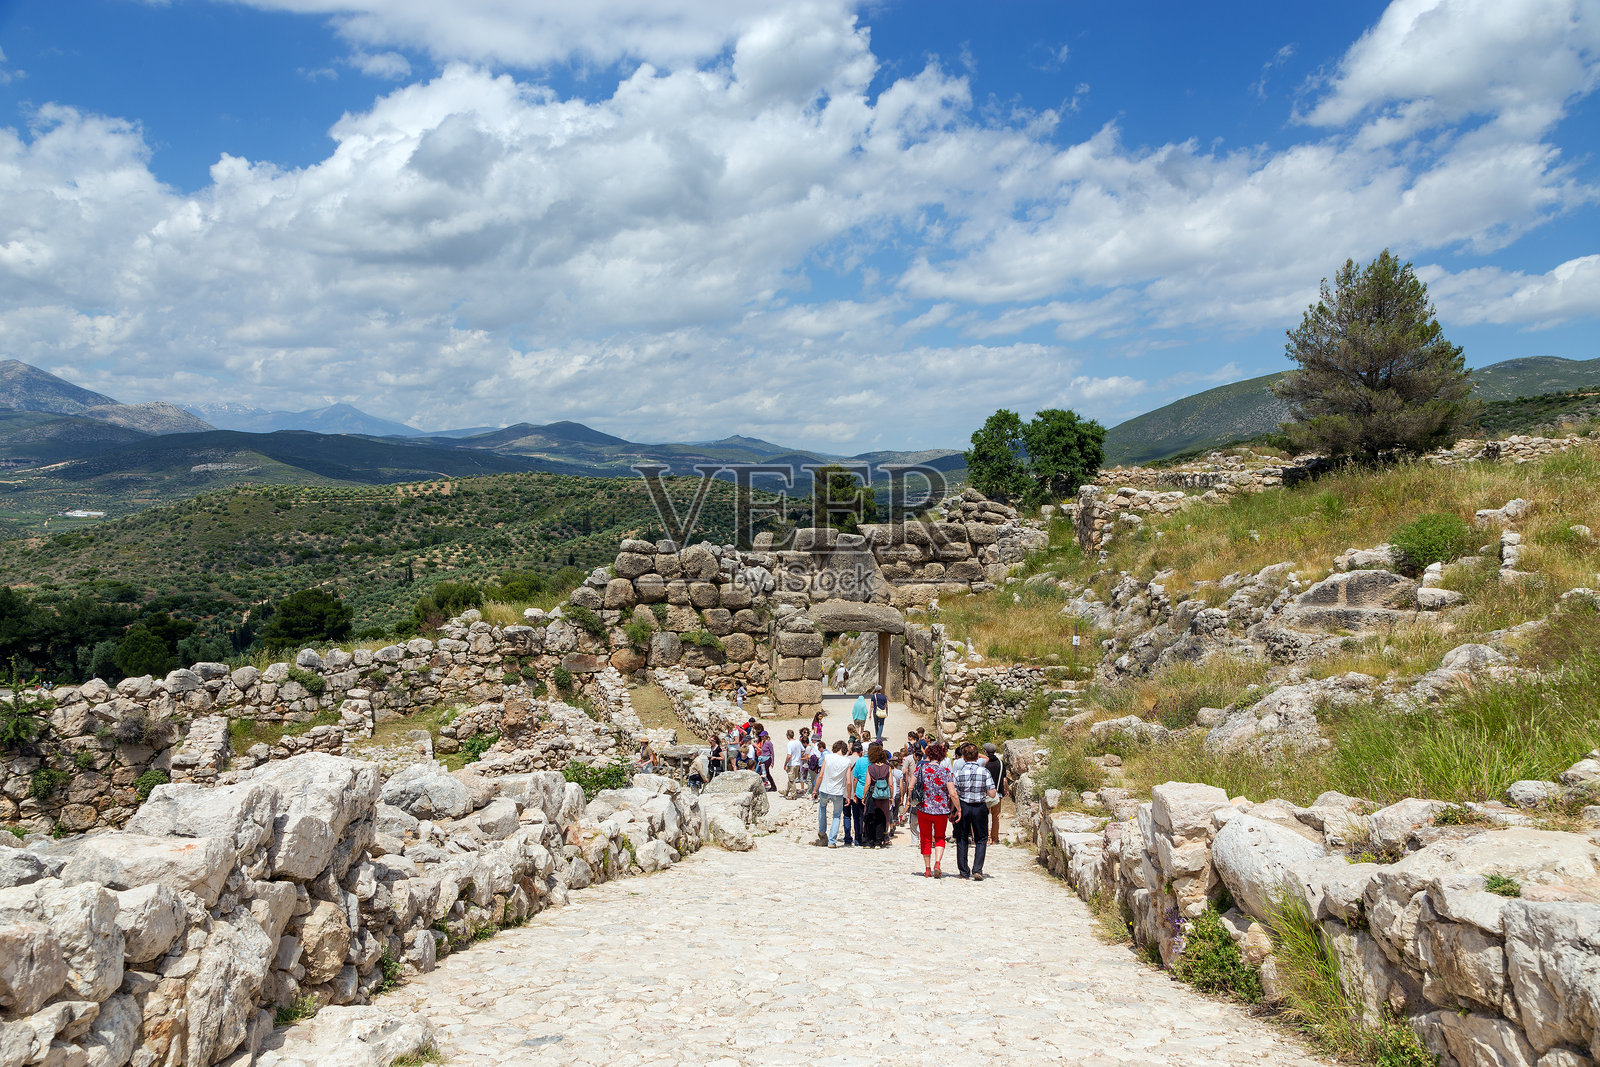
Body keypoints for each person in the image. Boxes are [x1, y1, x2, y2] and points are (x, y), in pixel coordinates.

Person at [952, 742, 997, 880]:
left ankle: (964, 871)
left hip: (963, 806)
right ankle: (977, 869)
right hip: (979, 807)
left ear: (963, 758)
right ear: (978, 756)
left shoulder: (958, 773)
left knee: (962, 838)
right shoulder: (985, 772)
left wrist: (953, 810)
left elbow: (953, 793)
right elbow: (992, 793)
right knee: (981, 838)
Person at [914, 742, 957, 877]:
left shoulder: (920, 769)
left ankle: (927, 869)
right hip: (941, 810)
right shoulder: (946, 772)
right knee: (939, 837)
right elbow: (952, 793)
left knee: (925, 837)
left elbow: (910, 786)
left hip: (924, 808)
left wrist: (911, 799)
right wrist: (958, 809)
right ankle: (937, 863)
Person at [814, 740, 853, 848]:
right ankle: (831, 841)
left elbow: (820, 775)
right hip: (838, 792)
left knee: (822, 808)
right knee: (836, 815)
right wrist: (848, 796)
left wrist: (815, 789)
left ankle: (822, 834)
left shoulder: (828, 757)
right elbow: (848, 781)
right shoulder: (847, 761)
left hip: (825, 789)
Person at [861, 744, 895, 847]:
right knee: (883, 818)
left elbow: (867, 784)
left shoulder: (870, 768)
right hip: (884, 796)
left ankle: (870, 839)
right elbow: (891, 784)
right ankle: (879, 840)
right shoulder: (887, 768)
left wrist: (863, 796)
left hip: (873, 796)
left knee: (871, 817)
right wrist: (891, 796)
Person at [984, 742, 1006, 844]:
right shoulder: (1001, 763)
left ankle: (987, 838)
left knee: (984, 817)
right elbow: (1004, 780)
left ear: (985, 752)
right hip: (998, 793)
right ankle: (995, 838)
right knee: (996, 817)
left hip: (985, 794)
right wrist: (1006, 790)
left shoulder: (984, 764)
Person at [783, 729, 804, 799]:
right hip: (798, 763)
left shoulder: (789, 743)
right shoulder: (798, 741)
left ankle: (793, 795)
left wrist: (785, 764)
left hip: (792, 764)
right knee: (792, 779)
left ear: (788, 736)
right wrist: (798, 756)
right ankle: (786, 791)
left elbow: (789, 755)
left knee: (792, 780)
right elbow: (803, 750)